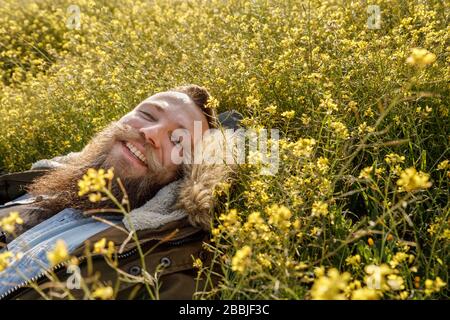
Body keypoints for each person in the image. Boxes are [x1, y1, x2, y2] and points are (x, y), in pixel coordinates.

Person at [0, 84, 241, 299]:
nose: (150, 133)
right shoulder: (41, 181)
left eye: (177, 140)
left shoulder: (164, 273)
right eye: (147, 114)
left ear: (183, 175)